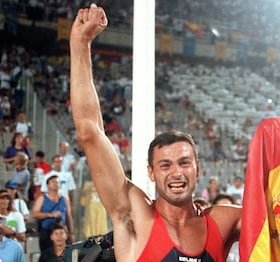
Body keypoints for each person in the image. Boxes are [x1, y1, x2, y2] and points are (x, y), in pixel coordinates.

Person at [69, 5, 241, 260]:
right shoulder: (135, 217)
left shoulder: (223, 220)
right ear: (151, 172)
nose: (176, 173)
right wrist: (80, 44)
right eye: (165, 165)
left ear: (197, 168)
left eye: (184, 163)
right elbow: (89, 131)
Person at [33, 175, 74, 251]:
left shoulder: (64, 199)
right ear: (47, 185)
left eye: (57, 182)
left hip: (62, 231)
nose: (56, 184)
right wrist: (50, 215)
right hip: (46, 231)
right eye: (53, 182)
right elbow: (35, 214)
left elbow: (68, 216)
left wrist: (71, 233)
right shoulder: (42, 199)